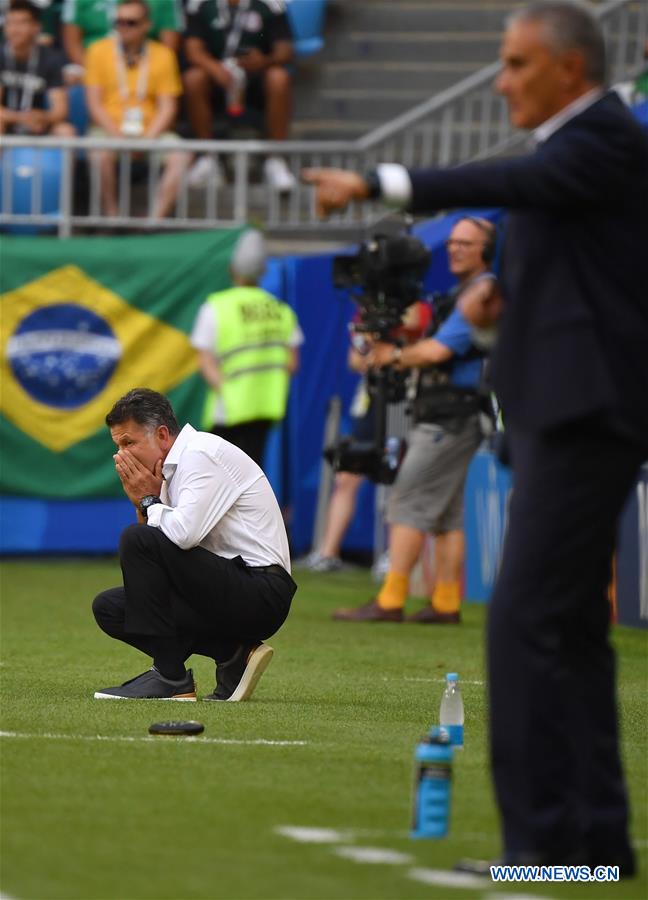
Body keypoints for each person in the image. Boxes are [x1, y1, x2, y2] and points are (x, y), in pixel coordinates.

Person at [302, 1, 648, 874]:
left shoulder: (600, 137)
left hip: (585, 419)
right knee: (565, 631)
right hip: (559, 413)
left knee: (525, 626)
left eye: (517, 64)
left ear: (571, 69)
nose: (500, 81)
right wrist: (493, 320)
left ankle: (539, 846)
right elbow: (565, 289)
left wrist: (383, 183)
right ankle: (594, 842)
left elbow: (513, 186)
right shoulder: (575, 158)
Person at [332, 218, 498, 623]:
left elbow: (439, 351)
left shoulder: (482, 290)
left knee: (406, 498)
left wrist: (394, 356)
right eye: (453, 241)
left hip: (451, 414)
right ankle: (445, 602)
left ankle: (391, 598)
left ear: (487, 251)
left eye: (467, 243)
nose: (456, 248)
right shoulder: (464, 291)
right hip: (454, 411)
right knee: (447, 514)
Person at [92, 387, 297, 702]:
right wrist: (146, 503)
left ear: (162, 435)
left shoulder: (200, 454)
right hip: (225, 587)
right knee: (110, 608)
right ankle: (233, 653)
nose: (122, 455)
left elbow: (183, 535)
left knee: (136, 539)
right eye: (118, 445)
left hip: (262, 592)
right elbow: (158, 553)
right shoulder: (171, 467)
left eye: (129, 442)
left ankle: (169, 676)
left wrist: (150, 500)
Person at [303, 301, 432, 574]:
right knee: (347, 476)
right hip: (370, 400)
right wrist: (376, 348)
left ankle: (393, 552)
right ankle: (328, 553)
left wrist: (390, 346)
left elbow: (414, 335)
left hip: (399, 401)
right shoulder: (365, 312)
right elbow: (356, 359)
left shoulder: (416, 307)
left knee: (396, 473)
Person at [190, 229, 303, 466]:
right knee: (251, 479)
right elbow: (292, 364)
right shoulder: (281, 311)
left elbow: (205, 361)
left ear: (232, 269)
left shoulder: (216, 308)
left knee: (216, 480)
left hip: (228, 409)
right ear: (263, 271)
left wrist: (228, 390)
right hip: (265, 406)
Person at [84, 0, 188, 220]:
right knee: (99, 153)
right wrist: (119, 137)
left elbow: (168, 106)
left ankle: (154, 221)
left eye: (130, 22)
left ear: (146, 25)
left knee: (181, 155)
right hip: (110, 129)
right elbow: (95, 104)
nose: (123, 27)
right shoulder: (97, 51)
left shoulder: (163, 54)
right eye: (118, 22)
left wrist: (147, 140)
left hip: (151, 130)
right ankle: (111, 217)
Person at [182, 0, 296, 191]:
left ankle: (275, 159)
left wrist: (265, 60)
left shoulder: (271, 4)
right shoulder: (199, 4)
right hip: (216, 77)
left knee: (279, 77)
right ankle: (208, 157)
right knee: (193, 79)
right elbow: (193, 50)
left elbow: (285, 51)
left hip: (256, 78)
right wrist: (215, 68)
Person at [0, 0, 74, 136]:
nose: (14, 29)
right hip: (8, 121)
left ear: (36, 27)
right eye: (10, 23)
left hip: (38, 123)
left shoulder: (51, 59)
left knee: (65, 131)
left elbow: (60, 110)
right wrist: (21, 118)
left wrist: (43, 117)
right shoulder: (1, 56)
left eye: (21, 23)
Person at [62, 0, 183, 67]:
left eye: (130, 23)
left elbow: (169, 47)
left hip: (146, 64)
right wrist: (95, 71)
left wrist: (142, 70)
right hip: (91, 64)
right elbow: (72, 44)